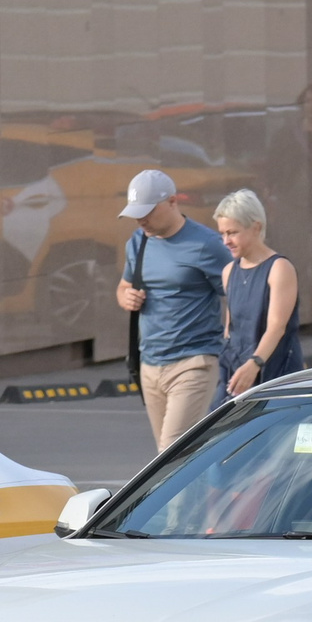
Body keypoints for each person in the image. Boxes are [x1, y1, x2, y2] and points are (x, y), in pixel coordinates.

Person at [115, 168, 233, 451]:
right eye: (135, 212)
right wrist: (126, 297)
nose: (140, 219)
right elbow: (123, 287)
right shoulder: (138, 241)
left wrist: (230, 342)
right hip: (150, 365)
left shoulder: (206, 244)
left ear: (172, 202)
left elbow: (237, 293)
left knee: (171, 452)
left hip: (194, 362)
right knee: (177, 460)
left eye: (147, 211)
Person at [211, 189, 301, 407]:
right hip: (236, 373)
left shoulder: (279, 268)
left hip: (275, 372)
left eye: (232, 233)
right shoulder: (229, 272)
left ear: (256, 227)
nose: (226, 241)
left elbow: (277, 327)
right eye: (222, 233)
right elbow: (230, 328)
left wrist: (254, 364)